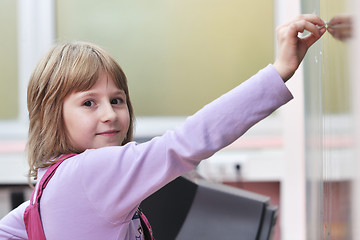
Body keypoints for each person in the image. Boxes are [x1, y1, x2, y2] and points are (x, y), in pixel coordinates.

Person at [0, 14, 325, 239]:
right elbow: (185, 142)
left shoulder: (48, 187)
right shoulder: (91, 171)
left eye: (117, 100)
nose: (109, 114)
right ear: (51, 114)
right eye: (89, 103)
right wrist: (280, 70)